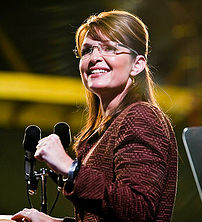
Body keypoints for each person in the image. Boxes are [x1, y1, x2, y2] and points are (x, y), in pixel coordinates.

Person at [12, 10, 178, 222]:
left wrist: (70, 168)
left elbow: (139, 211)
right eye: (88, 50)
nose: (95, 58)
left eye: (110, 48)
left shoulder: (141, 117)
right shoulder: (105, 129)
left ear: (137, 64)